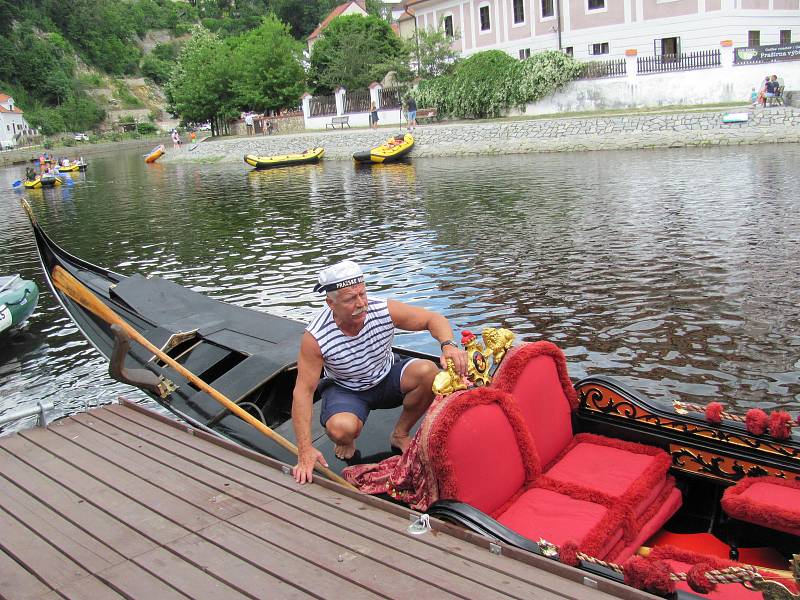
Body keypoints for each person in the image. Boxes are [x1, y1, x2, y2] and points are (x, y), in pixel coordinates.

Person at [291, 260, 468, 484]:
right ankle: (346, 440)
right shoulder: (316, 337)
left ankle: (400, 433)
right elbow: (303, 392)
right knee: (341, 429)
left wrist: (448, 345)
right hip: (347, 388)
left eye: (362, 294)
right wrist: (304, 450)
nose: (361, 304)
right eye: (350, 299)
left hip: (385, 374)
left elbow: (433, 319)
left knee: (429, 372)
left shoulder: (382, 309)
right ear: (330, 303)